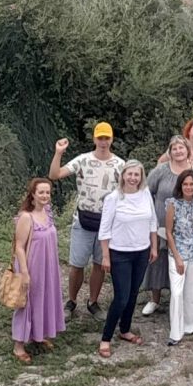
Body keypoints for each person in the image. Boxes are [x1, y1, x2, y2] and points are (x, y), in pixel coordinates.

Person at [49, 121, 124, 322]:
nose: (103, 142)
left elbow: (129, 191)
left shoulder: (120, 165)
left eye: (106, 138)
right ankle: (71, 302)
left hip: (107, 224)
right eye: (100, 138)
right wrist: (58, 153)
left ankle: (93, 302)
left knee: (100, 265)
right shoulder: (83, 160)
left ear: (112, 139)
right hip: (82, 221)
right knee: (77, 264)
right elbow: (54, 175)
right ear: (94, 139)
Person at [97, 160, 158, 358]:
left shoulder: (145, 194)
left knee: (133, 294)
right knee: (121, 297)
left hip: (142, 251)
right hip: (119, 253)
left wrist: (153, 246)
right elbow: (104, 229)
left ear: (141, 177)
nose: (133, 178)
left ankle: (125, 329)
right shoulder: (113, 198)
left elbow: (152, 222)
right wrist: (105, 256)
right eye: (129, 174)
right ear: (123, 175)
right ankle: (106, 338)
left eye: (136, 175)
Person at [11, 177, 65, 363]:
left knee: (44, 299)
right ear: (32, 194)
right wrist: (24, 273)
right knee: (27, 303)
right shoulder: (27, 217)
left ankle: (39, 335)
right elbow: (19, 247)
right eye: (41, 192)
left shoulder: (47, 212)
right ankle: (18, 346)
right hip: (31, 266)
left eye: (47, 192)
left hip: (48, 265)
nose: (45, 195)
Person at [142, 135, 193, 315]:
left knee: (181, 262)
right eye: (174, 148)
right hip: (160, 225)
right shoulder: (160, 171)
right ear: (169, 152)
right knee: (157, 260)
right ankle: (154, 300)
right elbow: (146, 192)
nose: (178, 151)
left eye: (181, 148)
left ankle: (179, 300)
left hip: (185, 229)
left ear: (187, 150)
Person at [165, 168, 193, 346]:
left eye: (192, 184)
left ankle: (190, 325)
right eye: (185, 184)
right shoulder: (172, 204)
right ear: (180, 186)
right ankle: (176, 332)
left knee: (192, 291)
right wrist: (177, 258)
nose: (188, 187)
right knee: (177, 292)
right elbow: (168, 232)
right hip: (178, 253)